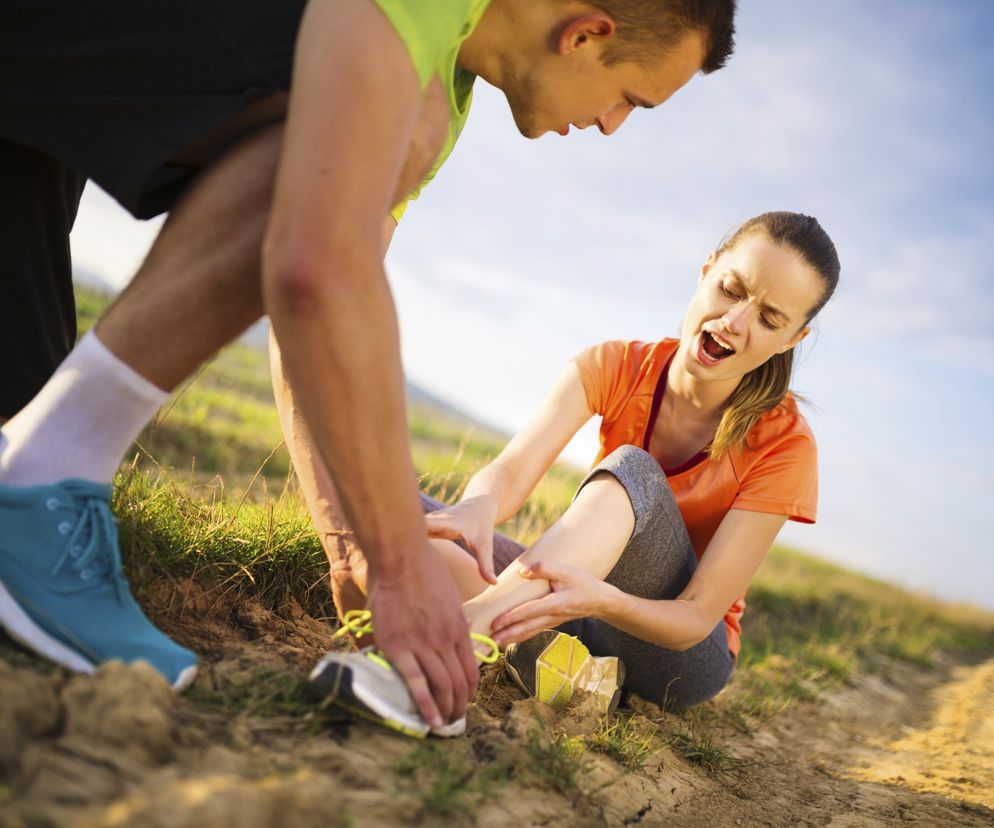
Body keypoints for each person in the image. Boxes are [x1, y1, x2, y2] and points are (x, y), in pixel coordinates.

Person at [0, 0, 737, 733]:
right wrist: (395, 567)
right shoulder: (416, 67)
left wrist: (352, 544)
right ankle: (47, 477)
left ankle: (39, 468)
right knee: (346, 134)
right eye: (629, 99)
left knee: (28, 412)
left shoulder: (442, 84)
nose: (613, 126)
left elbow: (318, 298)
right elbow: (319, 268)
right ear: (584, 35)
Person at [311, 210, 840, 731]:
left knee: (633, 469)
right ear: (706, 272)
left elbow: (696, 618)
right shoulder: (614, 364)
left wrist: (603, 600)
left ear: (792, 339)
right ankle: (557, 663)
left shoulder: (787, 445)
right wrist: (478, 507)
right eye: (730, 289)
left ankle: (451, 651)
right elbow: (511, 472)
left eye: (770, 319)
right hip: (574, 600)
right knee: (392, 514)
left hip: (675, 656)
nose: (735, 322)